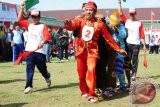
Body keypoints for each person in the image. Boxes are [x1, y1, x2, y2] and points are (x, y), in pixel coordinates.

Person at [64, 1, 127, 103]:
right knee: (81, 74)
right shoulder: (79, 20)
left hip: (92, 52)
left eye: (91, 10)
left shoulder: (100, 24)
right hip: (80, 51)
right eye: (87, 10)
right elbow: (71, 26)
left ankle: (92, 94)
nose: (88, 12)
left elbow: (109, 38)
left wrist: (119, 49)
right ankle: (84, 91)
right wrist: (68, 23)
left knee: (91, 71)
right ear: (84, 11)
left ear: (94, 11)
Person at [18, 1, 52, 94]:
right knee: (29, 68)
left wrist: (43, 42)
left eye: (36, 17)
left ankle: (47, 77)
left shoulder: (43, 26)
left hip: (40, 51)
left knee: (42, 69)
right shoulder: (29, 25)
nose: (34, 18)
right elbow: (19, 20)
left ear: (39, 17)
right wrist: (21, 8)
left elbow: (47, 37)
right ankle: (29, 86)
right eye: (33, 17)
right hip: (29, 51)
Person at [118, 0, 146, 80]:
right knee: (127, 59)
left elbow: (142, 34)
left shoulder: (139, 23)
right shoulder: (126, 21)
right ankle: (129, 72)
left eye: (133, 14)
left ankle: (134, 74)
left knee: (135, 60)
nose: (132, 15)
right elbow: (120, 12)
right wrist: (119, 3)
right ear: (129, 13)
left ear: (135, 14)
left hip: (136, 44)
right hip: (128, 43)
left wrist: (144, 45)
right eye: (131, 14)